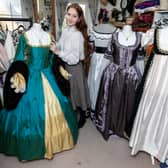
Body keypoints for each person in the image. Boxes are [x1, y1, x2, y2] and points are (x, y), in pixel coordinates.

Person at [0, 22, 78, 161]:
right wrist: (18, 76)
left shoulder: (49, 36)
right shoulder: (25, 36)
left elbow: (53, 58)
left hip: (48, 74)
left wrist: (59, 69)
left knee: (59, 103)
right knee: (29, 107)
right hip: (31, 75)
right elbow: (19, 59)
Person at [92, 22, 144, 140]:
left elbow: (140, 60)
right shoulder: (114, 36)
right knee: (113, 100)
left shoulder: (140, 37)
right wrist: (101, 74)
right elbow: (107, 57)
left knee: (129, 102)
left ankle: (125, 127)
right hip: (113, 74)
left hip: (132, 75)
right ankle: (112, 126)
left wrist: (143, 79)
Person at [129, 26, 168, 163]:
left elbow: (144, 43)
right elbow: (144, 42)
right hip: (156, 76)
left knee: (163, 111)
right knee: (151, 106)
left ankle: (158, 146)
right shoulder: (157, 31)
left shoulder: (157, 31)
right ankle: (145, 142)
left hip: (159, 77)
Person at [50, 3, 91, 129]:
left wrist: (58, 52)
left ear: (79, 19)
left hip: (74, 68)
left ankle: (83, 115)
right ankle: (75, 112)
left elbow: (74, 58)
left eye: (74, 16)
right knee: (71, 92)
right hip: (66, 66)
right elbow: (61, 45)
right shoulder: (66, 30)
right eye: (69, 14)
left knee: (78, 93)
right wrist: (55, 44)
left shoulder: (77, 35)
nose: (70, 18)